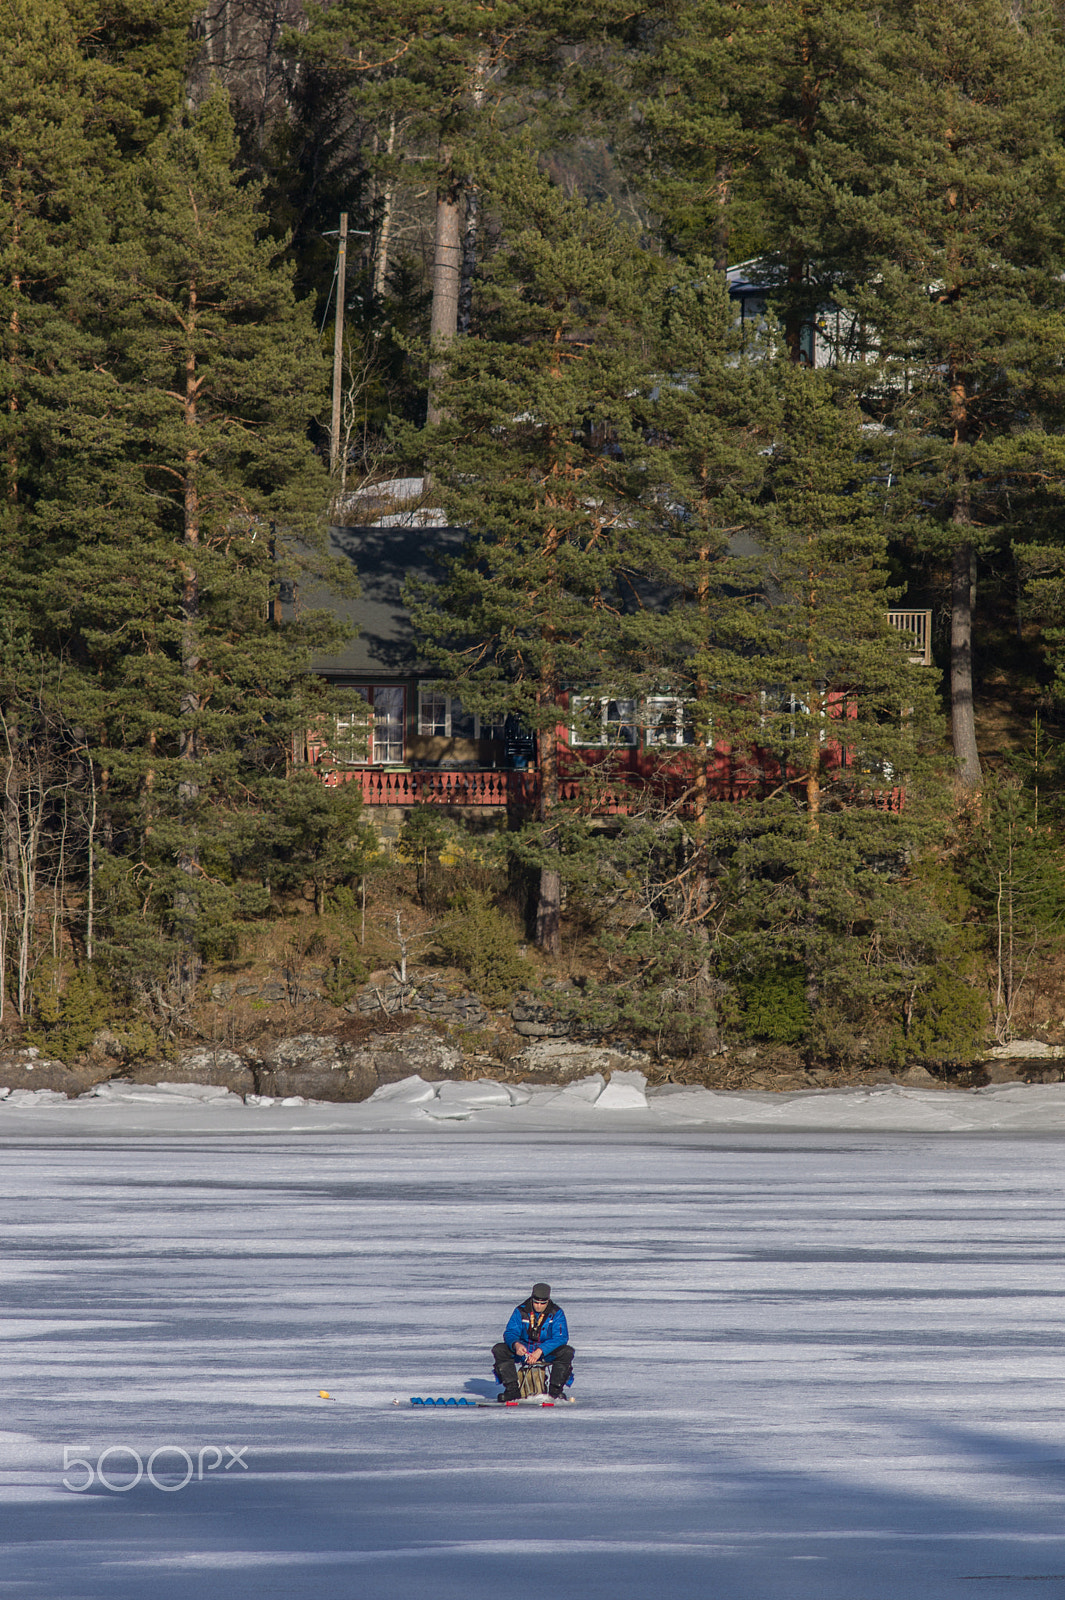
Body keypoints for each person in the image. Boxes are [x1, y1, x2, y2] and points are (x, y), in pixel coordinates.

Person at [492, 1282, 574, 1402]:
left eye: (542, 1303)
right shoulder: (520, 1311)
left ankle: (555, 1392)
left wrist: (540, 1351)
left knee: (567, 1352)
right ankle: (512, 1391)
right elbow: (510, 1332)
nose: (539, 1306)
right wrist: (516, 1344)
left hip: (546, 1352)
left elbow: (561, 1338)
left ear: (548, 1301)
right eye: (536, 1302)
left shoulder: (557, 1313)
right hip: (523, 1351)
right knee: (499, 1349)